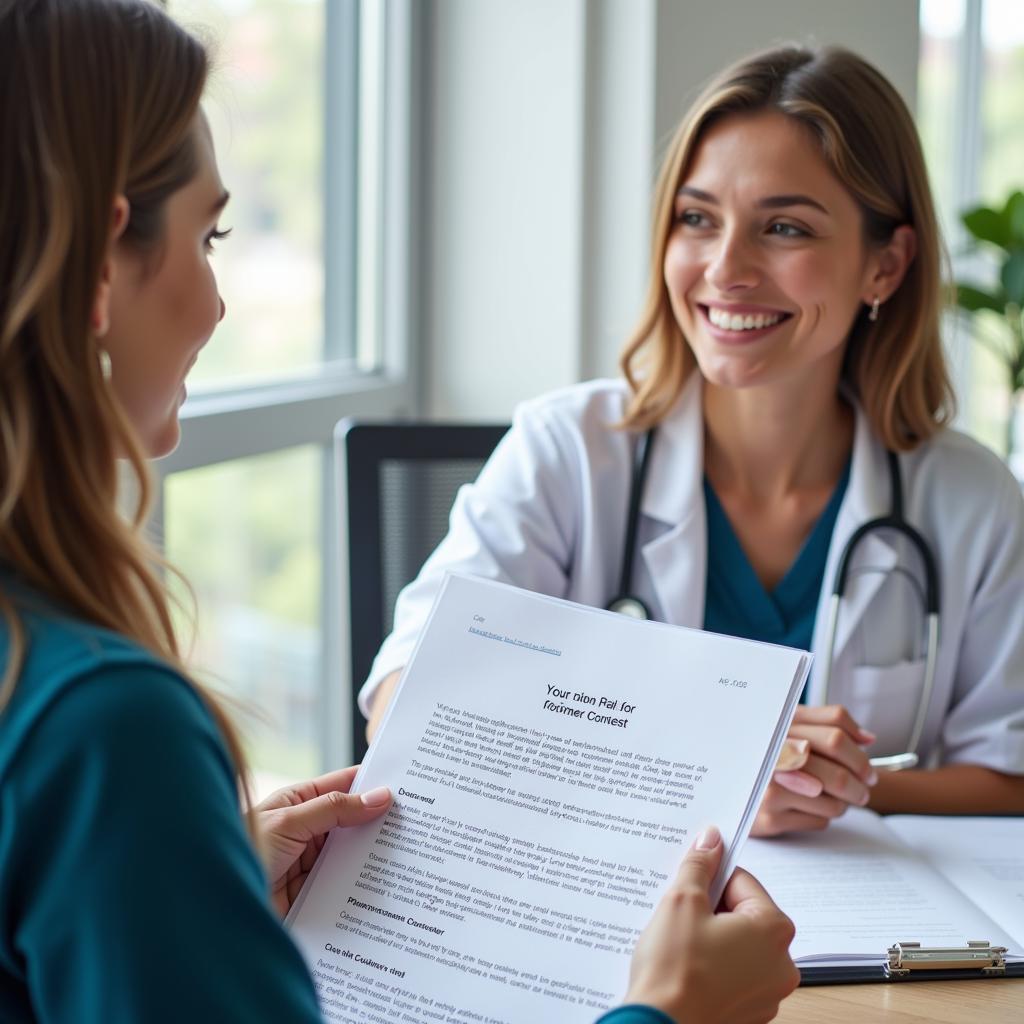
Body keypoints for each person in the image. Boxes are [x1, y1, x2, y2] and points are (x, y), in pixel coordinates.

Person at [0, 2, 797, 1022]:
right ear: (108, 262)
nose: (216, 302)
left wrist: (193, 879)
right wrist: (665, 1014)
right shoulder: (106, 728)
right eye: (210, 234)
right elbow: (412, 674)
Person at [363, 45, 1024, 837]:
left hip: (873, 937)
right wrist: (714, 772)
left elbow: (1008, 778)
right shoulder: (567, 452)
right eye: (697, 218)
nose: (725, 268)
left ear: (885, 265)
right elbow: (406, 699)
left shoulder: (969, 499)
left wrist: (833, 790)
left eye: (784, 227)